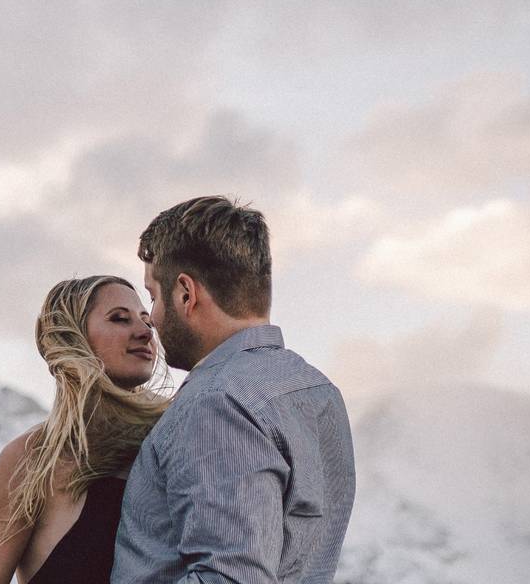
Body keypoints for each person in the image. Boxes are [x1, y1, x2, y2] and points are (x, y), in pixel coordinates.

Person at [112, 196, 356, 584]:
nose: (152, 318)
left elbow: (230, 577)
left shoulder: (216, 401)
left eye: (154, 297)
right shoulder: (317, 392)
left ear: (186, 294)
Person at [0, 275, 170, 584]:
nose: (144, 332)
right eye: (119, 319)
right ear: (73, 337)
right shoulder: (30, 461)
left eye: (146, 322)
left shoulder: (174, 437)